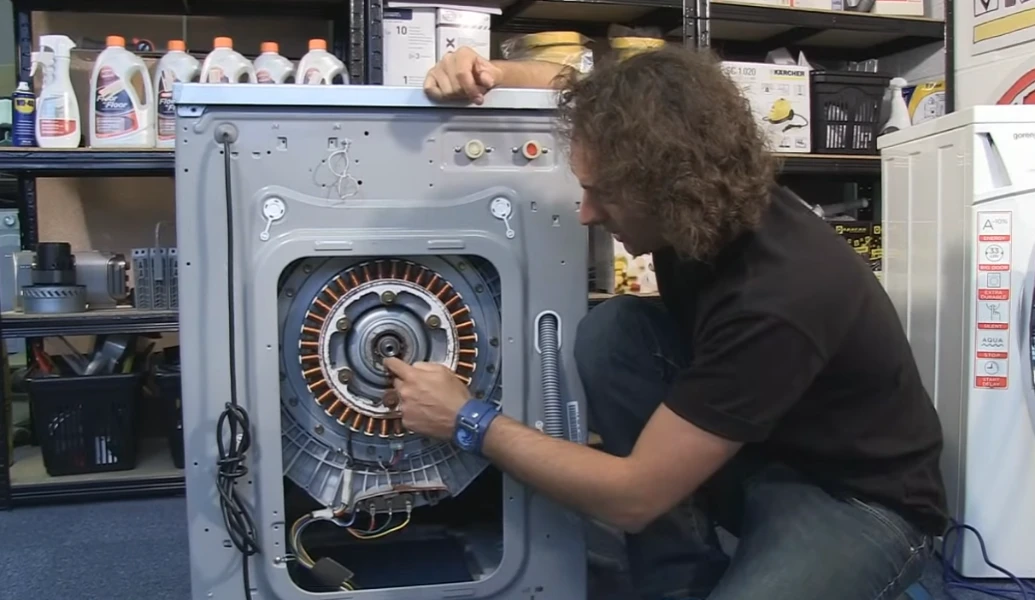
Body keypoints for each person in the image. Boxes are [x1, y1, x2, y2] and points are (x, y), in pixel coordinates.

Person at [386, 45, 948, 600]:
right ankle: (676, 578)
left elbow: (632, 497)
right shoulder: (702, 189)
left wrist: (469, 419)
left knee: (643, 490)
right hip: (758, 447)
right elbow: (580, 84)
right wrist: (491, 72)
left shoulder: (778, 296)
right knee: (616, 331)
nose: (586, 214)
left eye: (601, 194)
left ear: (670, 190)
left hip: (856, 499)